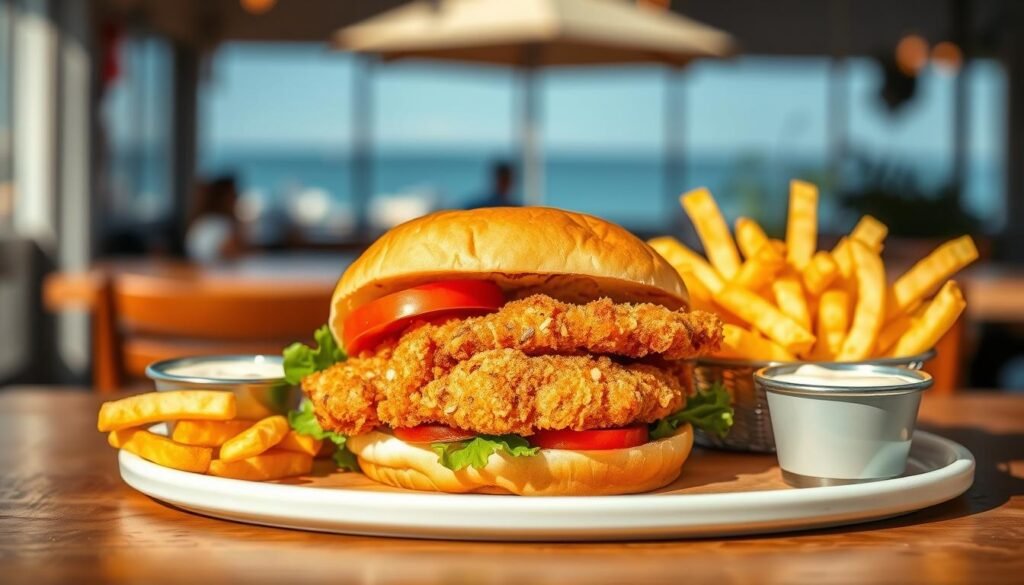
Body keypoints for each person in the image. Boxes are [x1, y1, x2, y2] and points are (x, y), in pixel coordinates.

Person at [185, 175, 245, 263]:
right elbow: (236, 254)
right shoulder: (219, 224)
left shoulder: (201, 221)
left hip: (199, 273)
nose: (236, 198)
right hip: (216, 275)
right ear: (222, 198)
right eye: (233, 194)